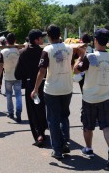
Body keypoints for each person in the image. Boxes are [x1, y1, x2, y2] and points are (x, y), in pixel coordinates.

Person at [73, 28, 109, 167]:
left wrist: (81, 56)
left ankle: (89, 148)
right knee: (107, 125)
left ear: (95, 40)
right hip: (105, 95)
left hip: (90, 97)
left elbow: (75, 70)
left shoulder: (90, 56)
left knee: (88, 125)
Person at [31, 24, 74, 159]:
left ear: (49, 36)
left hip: (52, 89)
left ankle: (57, 149)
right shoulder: (69, 48)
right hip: (67, 87)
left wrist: (35, 88)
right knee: (64, 116)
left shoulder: (48, 50)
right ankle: (65, 141)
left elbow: (42, 70)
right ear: (60, 34)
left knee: (53, 120)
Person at [15, 29, 48, 146]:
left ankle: (37, 134)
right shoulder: (44, 52)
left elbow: (17, 74)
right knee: (42, 108)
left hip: (30, 83)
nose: (43, 39)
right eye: (41, 38)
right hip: (43, 82)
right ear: (36, 40)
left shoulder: (23, 53)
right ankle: (43, 132)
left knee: (32, 110)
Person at [0, 33, 22, 123]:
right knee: (18, 95)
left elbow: (0, 67)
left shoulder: (3, 52)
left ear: (6, 41)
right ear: (15, 41)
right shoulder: (19, 51)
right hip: (18, 76)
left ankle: (10, 112)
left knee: (9, 95)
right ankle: (18, 112)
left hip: (7, 76)